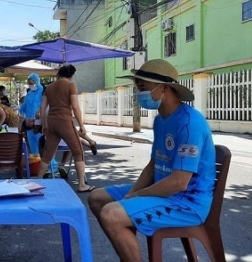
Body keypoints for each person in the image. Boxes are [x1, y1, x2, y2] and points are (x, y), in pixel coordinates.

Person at [87, 59, 215, 262]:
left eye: (143, 88)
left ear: (164, 88)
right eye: (138, 88)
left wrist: (138, 195)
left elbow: (179, 182)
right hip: (163, 191)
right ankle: (128, 253)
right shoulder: (160, 120)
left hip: (187, 202)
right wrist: (132, 193)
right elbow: (154, 163)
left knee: (111, 214)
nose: (139, 94)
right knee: (96, 198)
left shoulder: (190, 123)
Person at [37, 65, 93, 192]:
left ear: (58, 74)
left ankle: (38, 181)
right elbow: (75, 107)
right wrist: (82, 125)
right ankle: (82, 185)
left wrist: (45, 125)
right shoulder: (70, 86)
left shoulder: (49, 88)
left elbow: (42, 108)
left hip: (51, 122)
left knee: (48, 154)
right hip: (64, 121)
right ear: (71, 76)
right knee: (78, 152)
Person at [19, 73, 43, 156]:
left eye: (32, 83)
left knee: (41, 144)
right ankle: (36, 164)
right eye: (29, 84)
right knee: (32, 143)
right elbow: (23, 107)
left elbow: (45, 106)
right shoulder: (29, 94)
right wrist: (24, 118)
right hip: (29, 122)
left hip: (39, 122)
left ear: (37, 81)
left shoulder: (42, 92)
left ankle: (49, 166)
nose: (30, 85)